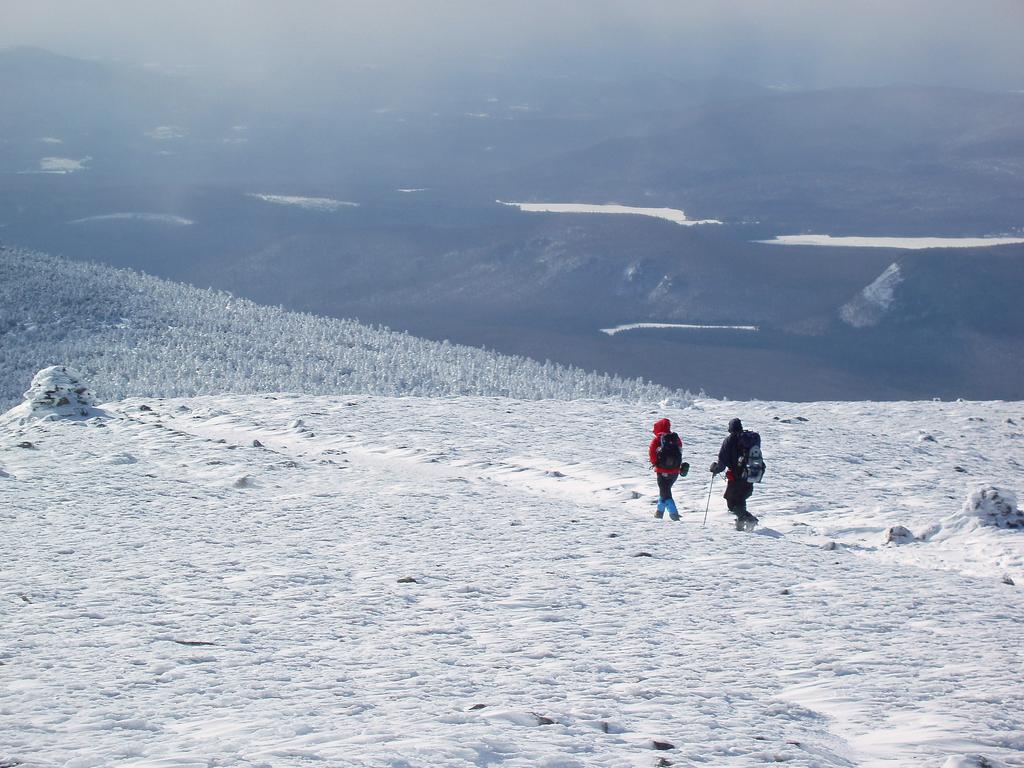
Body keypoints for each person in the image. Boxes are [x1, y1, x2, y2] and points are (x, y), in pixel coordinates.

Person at [710, 417, 761, 531]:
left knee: (732, 503)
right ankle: (740, 524)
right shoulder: (750, 439)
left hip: (736, 476)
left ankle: (748, 519)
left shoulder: (730, 440)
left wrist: (715, 469)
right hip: (750, 474)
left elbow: (722, 463)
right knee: (741, 499)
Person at [648, 417, 686, 520]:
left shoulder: (657, 439)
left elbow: (652, 452)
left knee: (665, 493)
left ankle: (674, 515)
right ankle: (659, 512)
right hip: (675, 471)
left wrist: (655, 463)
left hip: (662, 471)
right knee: (665, 491)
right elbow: (680, 451)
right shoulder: (676, 439)